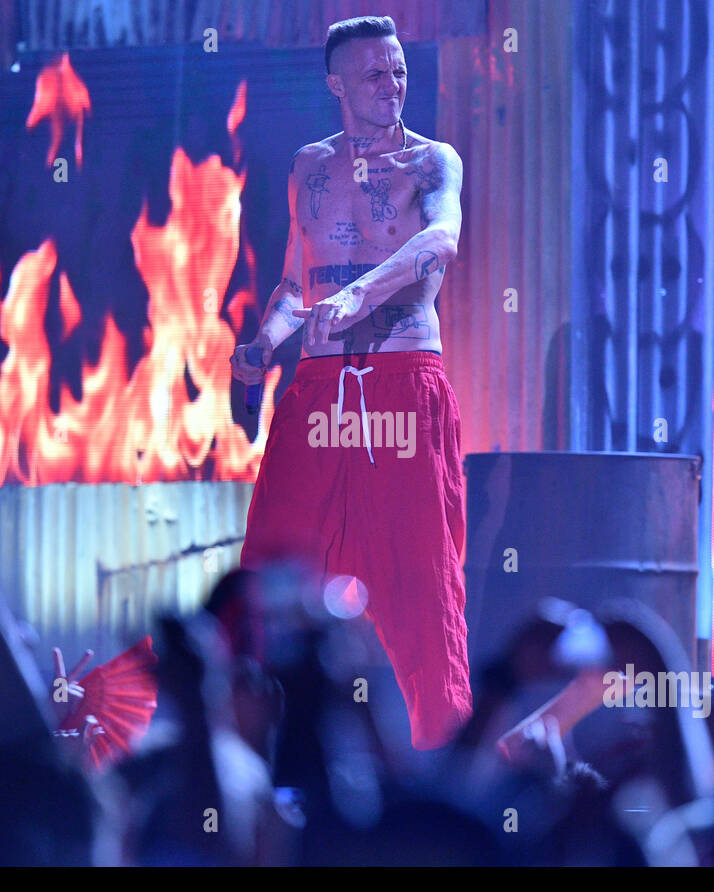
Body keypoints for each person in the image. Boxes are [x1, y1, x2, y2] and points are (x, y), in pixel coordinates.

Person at [230, 15, 470, 750]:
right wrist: (264, 343)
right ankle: (256, 738)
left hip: (401, 382)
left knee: (418, 581)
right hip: (317, 393)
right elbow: (296, 283)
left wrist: (360, 296)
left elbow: (440, 238)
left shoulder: (433, 162)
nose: (392, 85)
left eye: (399, 71)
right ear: (336, 83)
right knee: (276, 566)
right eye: (374, 73)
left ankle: (434, 755)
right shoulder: (311, 166)